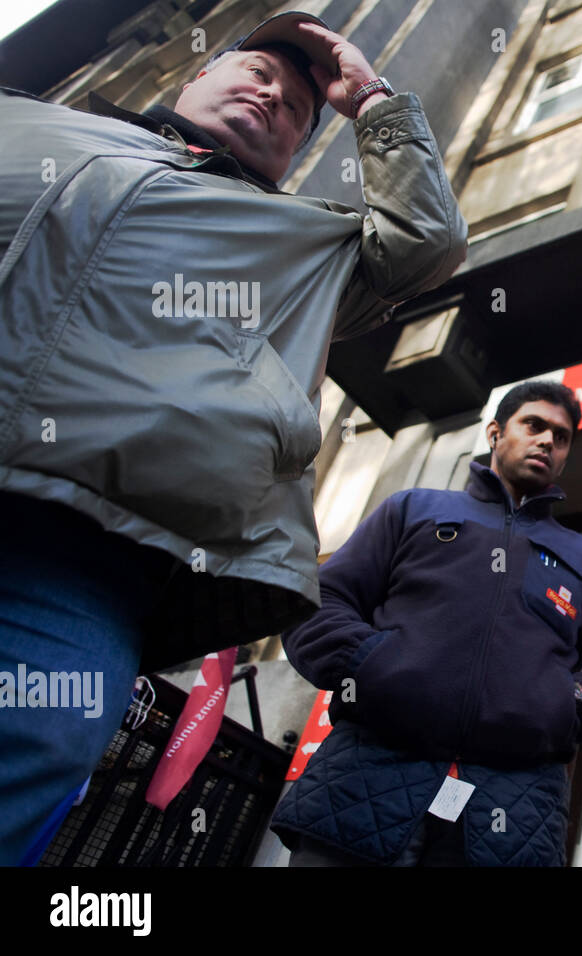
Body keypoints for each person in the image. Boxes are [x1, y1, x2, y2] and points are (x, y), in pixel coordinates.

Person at [0, 11, 468, 865]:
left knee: (31, 750)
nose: (273, 95)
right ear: (192, 78)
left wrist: (369, 100)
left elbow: (425, 244)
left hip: (83, 558)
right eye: (254, 71)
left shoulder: (311, 245)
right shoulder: (26, 120)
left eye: (296, 106)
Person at [270, 382, 582, 866]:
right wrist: (371, 663)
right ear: (495, 432)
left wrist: (569, 702)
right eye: (533, 425)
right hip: (363, 791)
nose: (547, 442)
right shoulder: (412, 510)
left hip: (510, 823)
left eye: (561, 436)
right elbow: (320, 599)